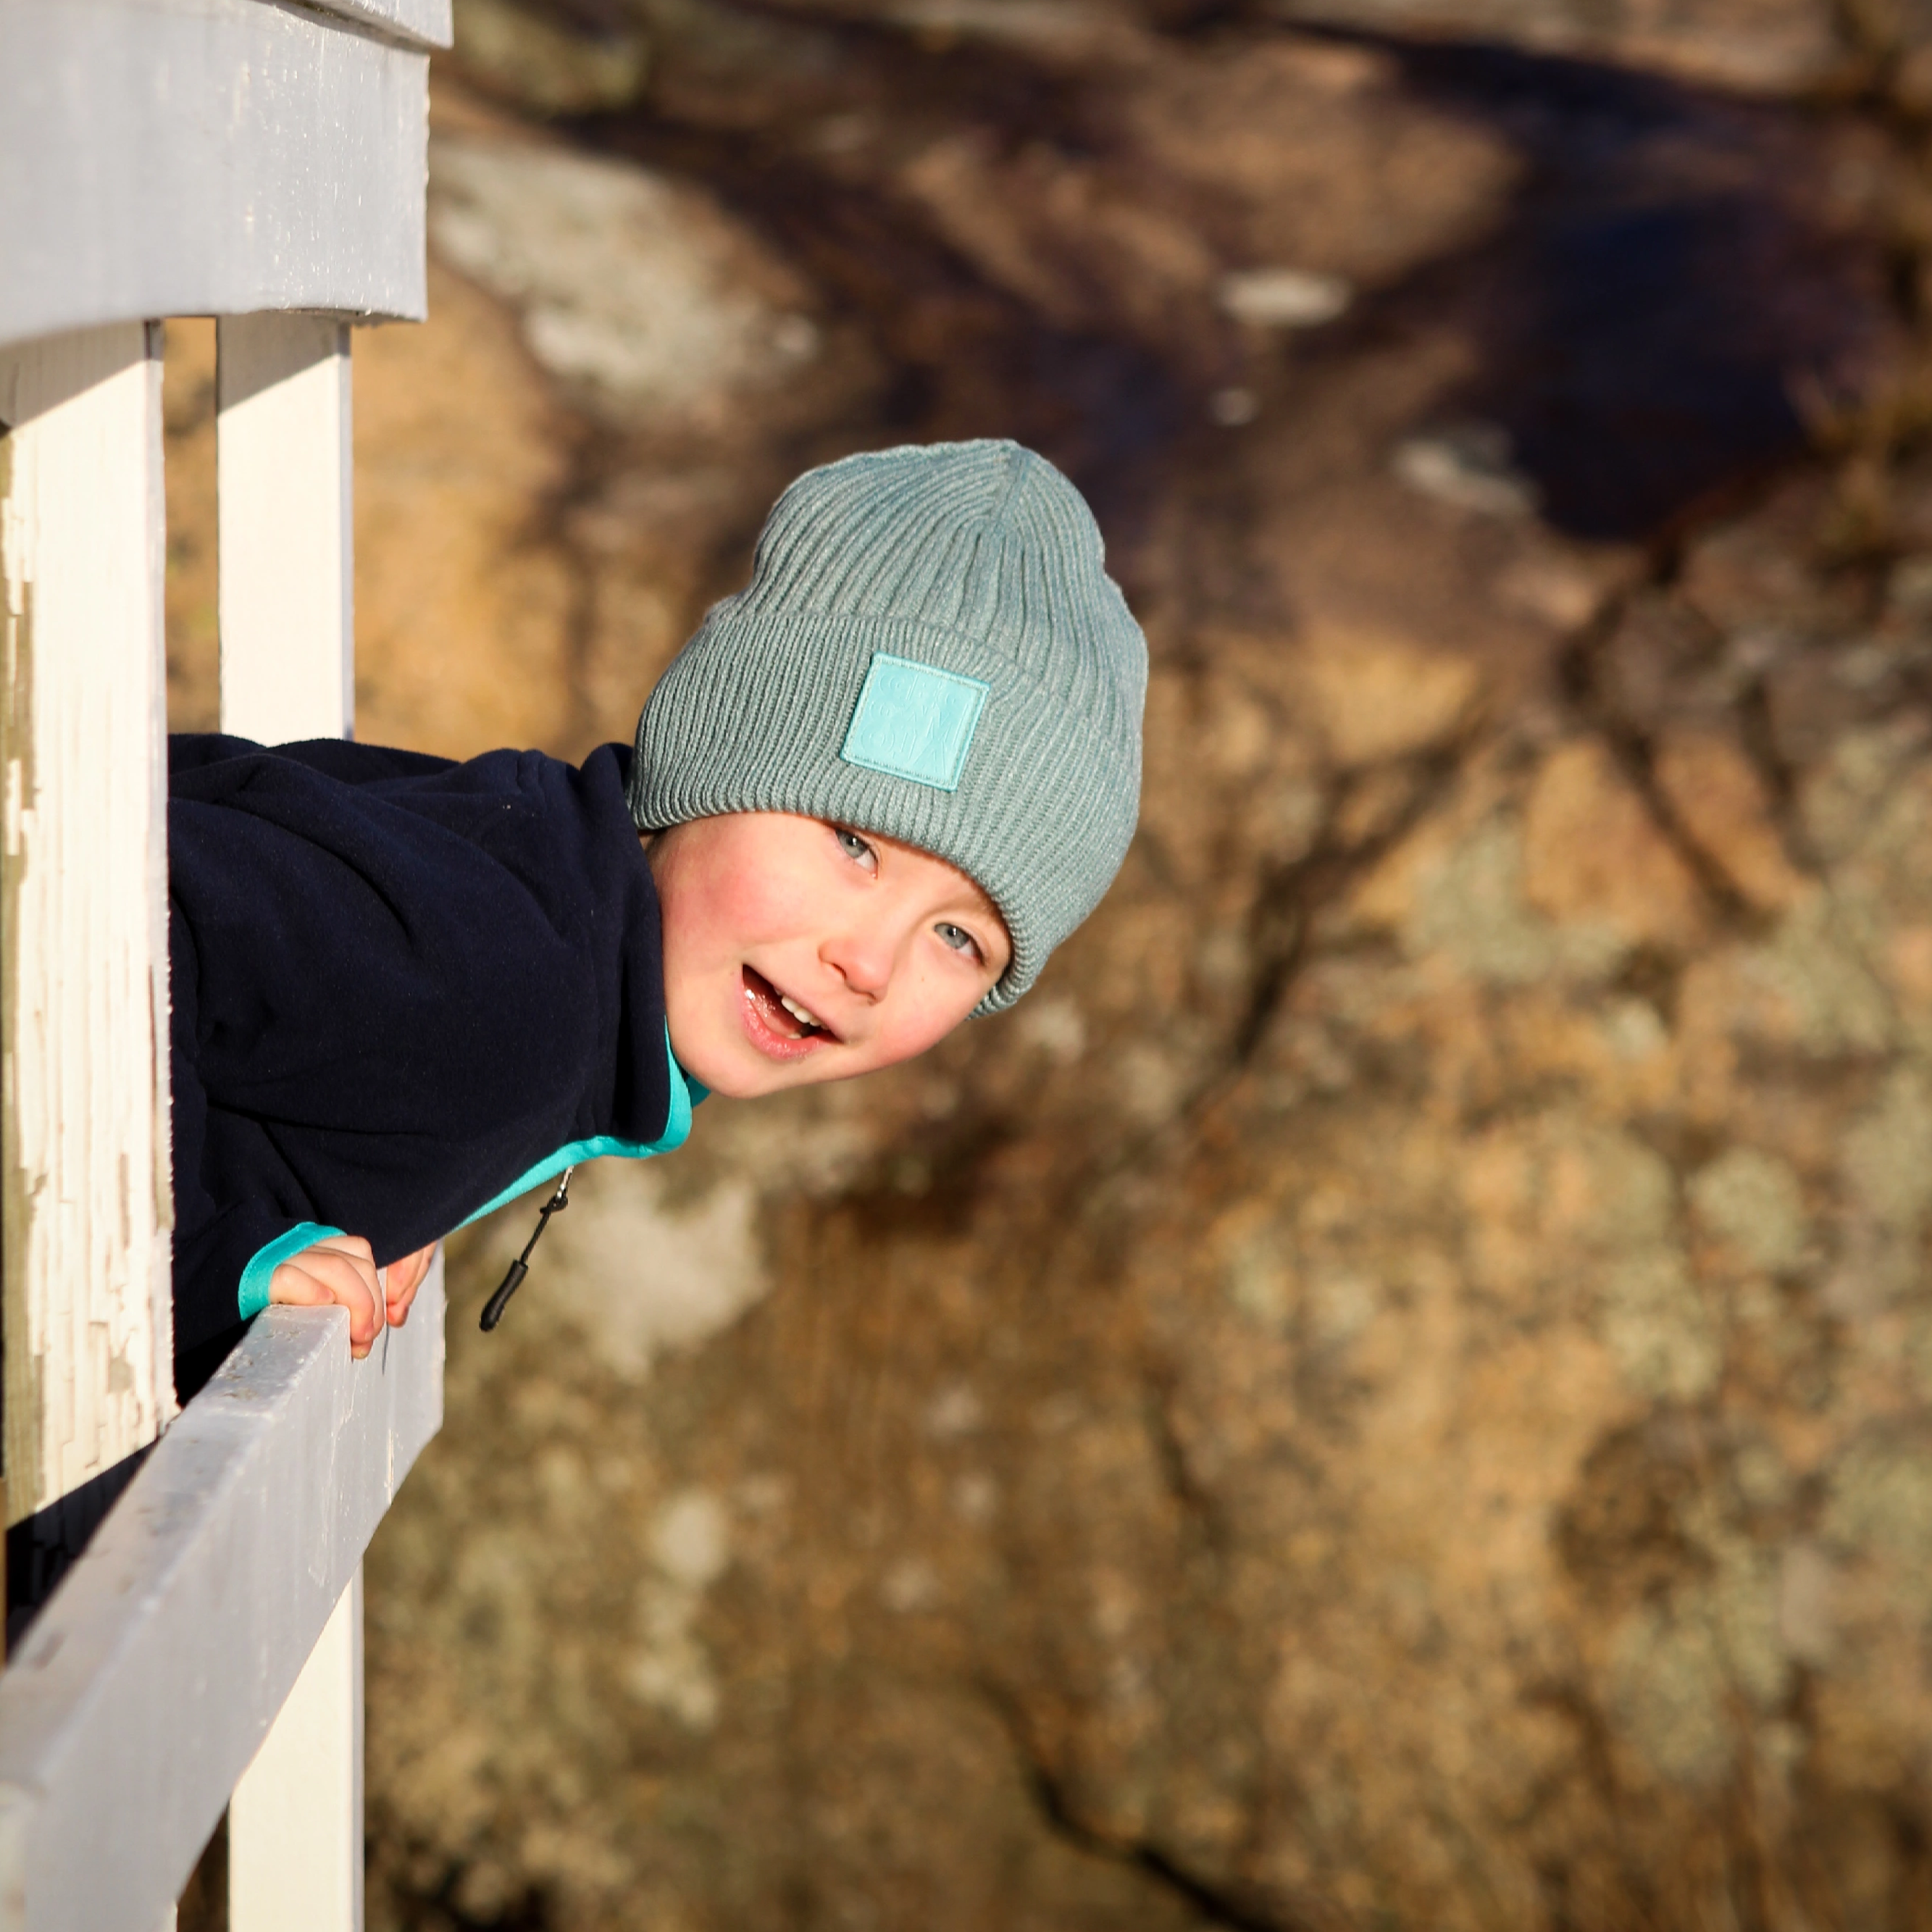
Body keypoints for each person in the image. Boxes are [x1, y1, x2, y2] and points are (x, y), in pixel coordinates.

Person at [167, 439, 1147, 1387]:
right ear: (709, 765)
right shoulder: (502, 980)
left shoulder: (544, 888)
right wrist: (197, 1252)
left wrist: (310, 1193)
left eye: (958, 936)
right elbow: (116, 916)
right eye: (854, 841)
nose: (870, 962)